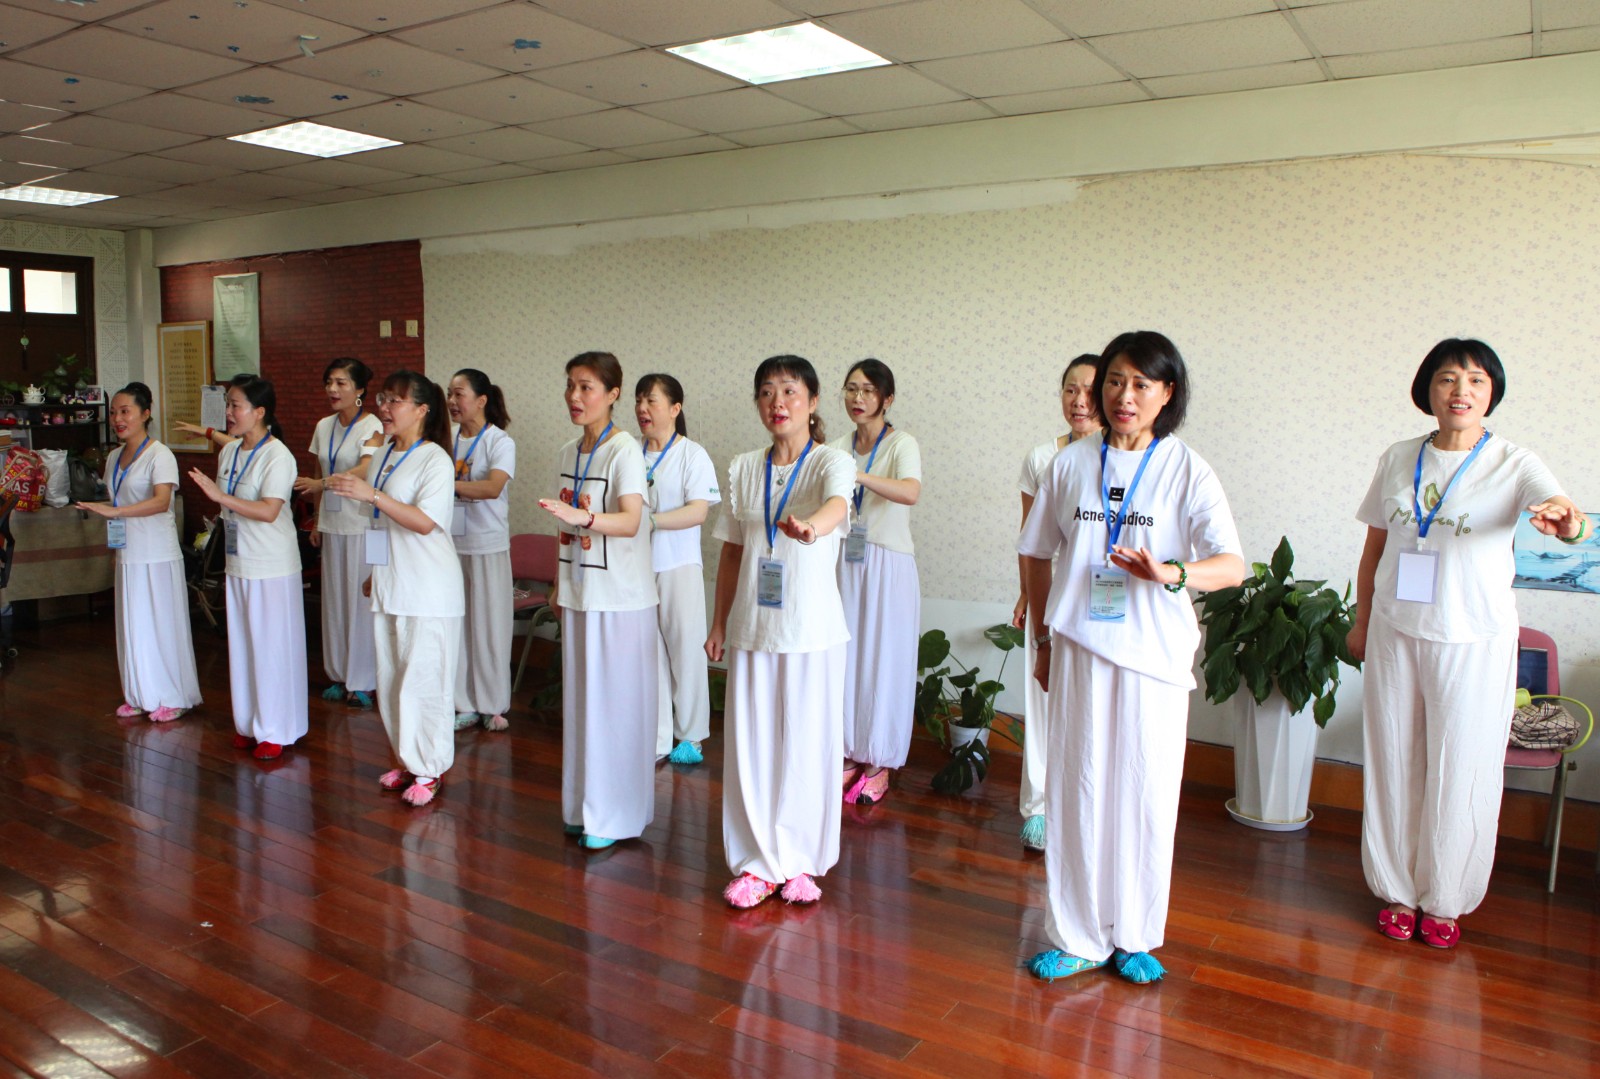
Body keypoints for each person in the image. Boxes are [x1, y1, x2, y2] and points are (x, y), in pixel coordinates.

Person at [1018, 331, 1244, 985]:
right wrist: (1042, 642)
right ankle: (1079, 934)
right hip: (1081, 649)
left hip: (1154, 657)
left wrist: (1172, 572)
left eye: (1142, 384)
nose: (1124, 395)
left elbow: (1232, 565)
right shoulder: (1069, 464)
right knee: (1079, 789)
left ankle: (1135, 934)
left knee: (1145, 793)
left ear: (1167, 393)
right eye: (1115, 380)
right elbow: (1034, 552)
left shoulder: (1186, 469)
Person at [1348, 338, 1585, 950]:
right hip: (1396, 630)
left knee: (1464, 766)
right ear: (1428, 388)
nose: (1461, 391)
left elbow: (1564, 513)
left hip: (1474, 638)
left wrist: (1567, 521)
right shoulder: (1399, 457)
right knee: (1395, 760)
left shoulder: (1513, 462)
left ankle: (1446, 897)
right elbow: (1374, 550)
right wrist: (1362, 621)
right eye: (1448, 378)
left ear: (1491, 393)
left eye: (1476, 380)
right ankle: (1398, 890)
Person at [707, 355, 854, 908]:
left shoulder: (832, 461)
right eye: (767, 392)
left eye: (790, 391)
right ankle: (755, 862)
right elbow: (732, 551)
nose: (778, 402)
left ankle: (801, 860)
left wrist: (810, 528)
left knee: (807, 745)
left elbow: (837, 505)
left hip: (811, 629)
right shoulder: (744, 467)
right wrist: (719, 621)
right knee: (751, 746)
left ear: (812, 402)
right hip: (752, 625)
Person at [326, 371, 463, 807]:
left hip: (429, 587)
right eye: (383, 398)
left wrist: (372, 495)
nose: (384, 408)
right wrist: (376, 570)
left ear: (422, 410)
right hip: (392, 583)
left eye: (395, 401)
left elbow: (424, 522)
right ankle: (407, 760)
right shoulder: (384, 452)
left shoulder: (435, 459)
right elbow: (380, 522)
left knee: (424, 681)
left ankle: (430, 768)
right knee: (391, 680)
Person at [538, 352, 657, 850]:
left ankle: (616, 815)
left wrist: (583, 518)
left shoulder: (624, 450)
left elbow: (630, 521)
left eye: (586, 387)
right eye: (570, 385)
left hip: (621, 599)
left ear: (612, 395)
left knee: (615, 709)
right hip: (580, 593)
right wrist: (558, 583)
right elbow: (563, 525)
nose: (574, 396)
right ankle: (582, 807)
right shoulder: (569, 451)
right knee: (583, 706)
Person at [187, 375, 308, 761]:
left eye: (235, 405)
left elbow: (270, 511)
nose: (228, 412)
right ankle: (250, 723)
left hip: (271, 565)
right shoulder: (231, 452)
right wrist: (221, 499)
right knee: (242, 645)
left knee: (271, 647)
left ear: (259, 412)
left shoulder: (278, 456)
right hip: (238, 562)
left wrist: (220, 497)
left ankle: (277, 728)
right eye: (228, 404)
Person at [1013, 354, 1102, 851]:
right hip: (1054, 596)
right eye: (1070, 389)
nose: (1079, 400)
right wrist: (1028, 594)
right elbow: (1031, 542)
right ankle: (1039, 807)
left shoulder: (1127, 455)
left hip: (1105, 600)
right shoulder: (1043, 457)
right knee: (1043, 699)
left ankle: (1087, 806)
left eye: (1089, 389)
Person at [76, 382, 201, 723]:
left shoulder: (160, 455)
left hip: (157, 554)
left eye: (125, 411)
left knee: (161, 626)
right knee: (133, 626)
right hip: (128, 554)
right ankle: (141, 694)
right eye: (113, 412)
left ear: (145, 414)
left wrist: (115, 512)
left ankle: (173, 696)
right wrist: (114, 540)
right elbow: (117, 502)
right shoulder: (114, 457)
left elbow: (161, 502)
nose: (118, 419)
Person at [834, 359, 922, 807]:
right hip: (846, 561)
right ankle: (849, 750)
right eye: (851, 388)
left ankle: (879, 762)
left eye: (868, 390)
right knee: (847, 659)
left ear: (887, 399)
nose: (858, 398)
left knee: (884, 660)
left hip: (889, 563)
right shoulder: (836, 446)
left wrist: (858, 475)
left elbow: (910, 491)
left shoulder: (901, 443)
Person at [635, 373, 721, 766]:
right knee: (647, 655)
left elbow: (698, 511)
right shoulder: (628, 452)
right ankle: (655, 737)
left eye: (651, 401)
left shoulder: (692, 455)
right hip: (636, 569)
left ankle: (690, 736)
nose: (642, 408)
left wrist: (651, 521)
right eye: (638, 401)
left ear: (675, 408)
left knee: (686, 652)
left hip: (678, 565)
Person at [294, 358, 383, 709]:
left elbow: (366, 467)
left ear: (360, 389)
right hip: (333, 524)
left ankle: (365, 679)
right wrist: (317, 519)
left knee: (360, 602)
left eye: (342, 383)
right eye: (329, 382)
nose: (333, 389)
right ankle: (340, 674)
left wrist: (323, 483)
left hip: (363, 524)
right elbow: (318, 469)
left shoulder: (372, 425)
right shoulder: (324, 425)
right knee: (335, 602)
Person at [448, 368, 516, 732]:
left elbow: (492, 488)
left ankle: (493, 704)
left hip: (488, 545)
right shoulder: (445, 440)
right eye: (449, 394)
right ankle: (464, 703)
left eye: (459, 394)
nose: (452, 401)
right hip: (451, 546)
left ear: (481, 400)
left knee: (489, 627)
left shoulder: (498, 441)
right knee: (458, 627)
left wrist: (448, 484)